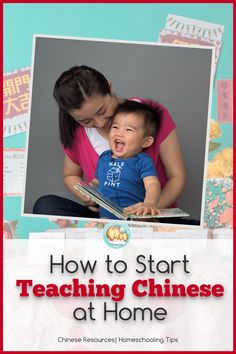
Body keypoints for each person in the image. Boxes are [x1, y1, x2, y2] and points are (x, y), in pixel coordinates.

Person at [33, 65, 186, 219]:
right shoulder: (78, 134)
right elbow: (70, 175)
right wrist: (88, 195)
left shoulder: (148, 116)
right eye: (86, 120)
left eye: (102, 111)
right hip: (107, 219)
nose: (100, 123)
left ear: (109, 88)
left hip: (153, 217)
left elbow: (176, 176)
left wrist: (147, 211)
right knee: (46, 205)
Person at [93, 100, 161, 219]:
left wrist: (149, 203)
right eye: (115, 127)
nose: (119, 133)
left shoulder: (142, 161)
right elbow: (98, 181)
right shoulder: (104, 158)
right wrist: (90, 188)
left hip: (135, 217)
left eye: (128, 130)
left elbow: (152, 184)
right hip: (106, 219)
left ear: (145, 141)